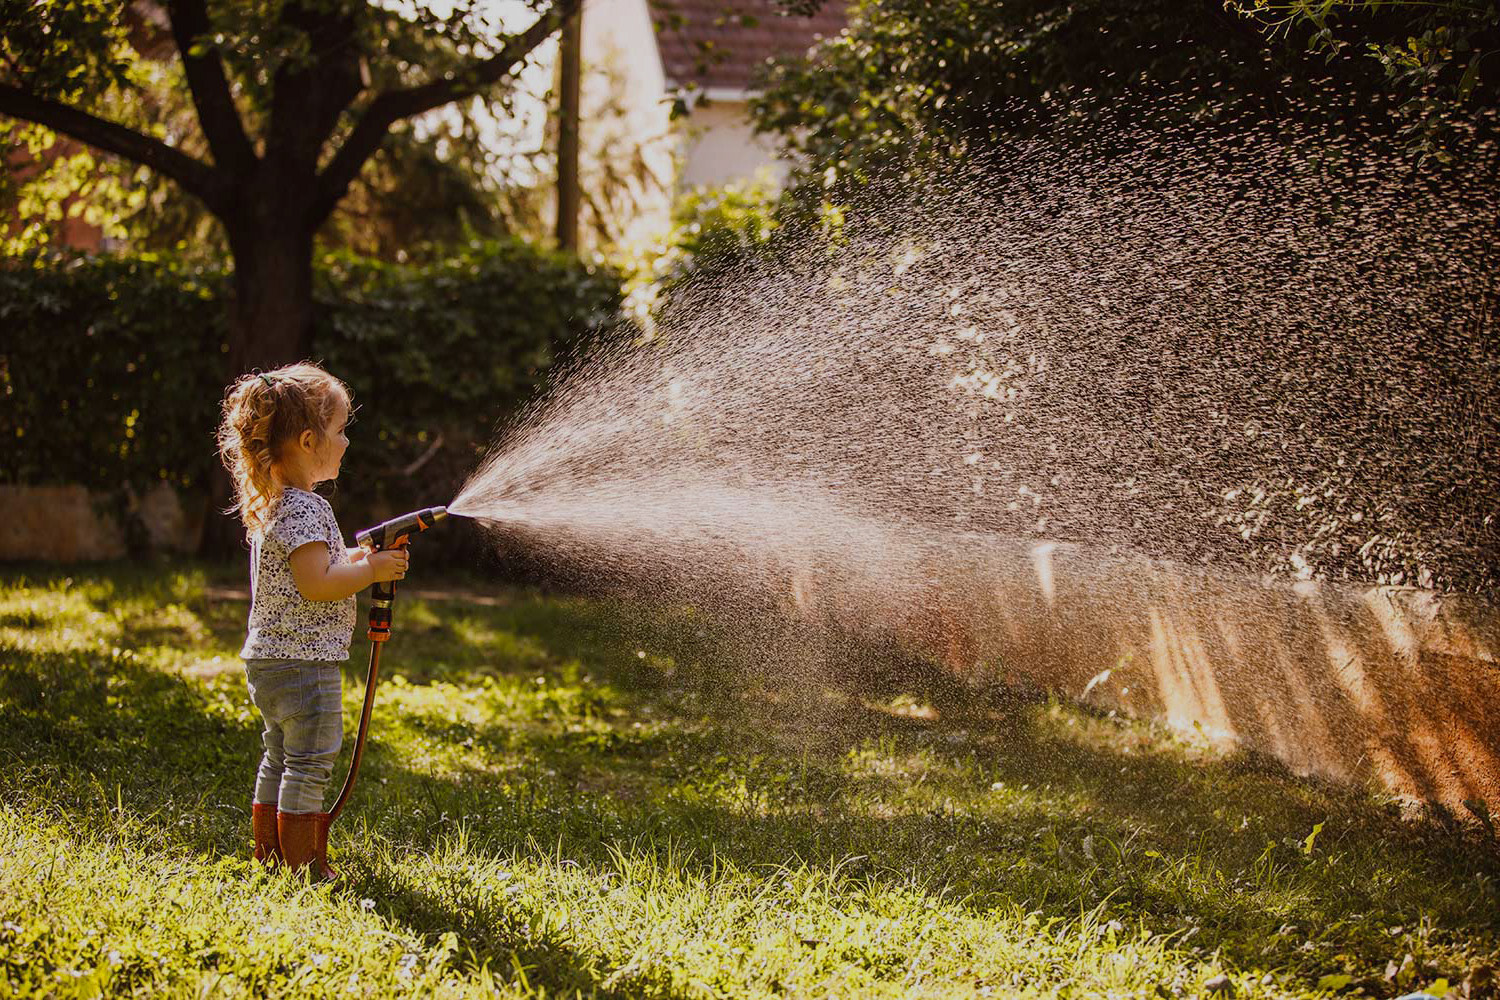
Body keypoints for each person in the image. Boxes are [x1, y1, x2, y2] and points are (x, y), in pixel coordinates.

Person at [216, 362, 409, 879]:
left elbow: (317, 563)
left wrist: (357, 556)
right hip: (304, 663)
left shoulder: (278, 504)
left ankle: (271, 856)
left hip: (271, 661)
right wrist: (372, 570)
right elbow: (317, 583)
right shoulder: (306, 508)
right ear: (308, 441)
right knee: (309, 761)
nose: (346, 442)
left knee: (280, 757)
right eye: (340, 430)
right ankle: (304, 867)